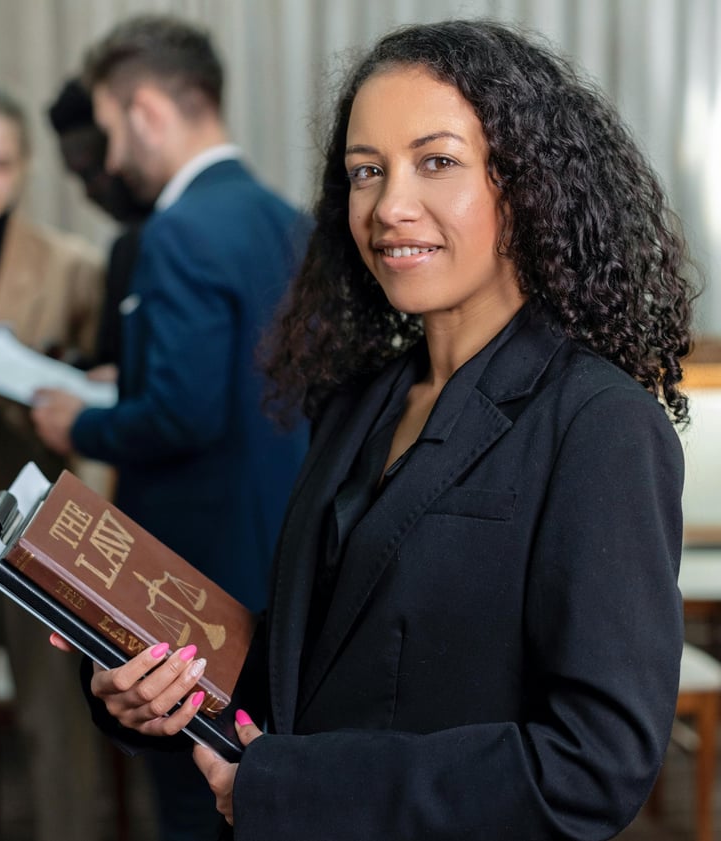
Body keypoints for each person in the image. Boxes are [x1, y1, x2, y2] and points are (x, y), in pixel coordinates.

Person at [67, 18, 699, 841]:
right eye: (367, 172)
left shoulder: (601, 424)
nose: (391, 206)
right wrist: (158, 685)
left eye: (436, 161)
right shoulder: (360, 400)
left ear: (527, 183)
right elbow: (314, 661)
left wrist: (292, 789)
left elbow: (591, 766)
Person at [31, 15, 310, 841]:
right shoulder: (287, 220)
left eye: (111, 132)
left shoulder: (177, 231)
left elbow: (182, 416)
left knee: (197, 801)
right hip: (281, 568)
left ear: (147, 111)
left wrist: (80, 418)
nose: (110, 160)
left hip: (190, 590)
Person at [0, 87, 104, 841]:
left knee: (56, 702)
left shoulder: (71, 266)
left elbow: (109, 382)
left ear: (24, 169)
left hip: (39, 505)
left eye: (0, 164)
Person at [47, 76, 153, 369]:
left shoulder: (147, 243)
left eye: (92, 172)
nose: (89, 191)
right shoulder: (126, 246)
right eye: (80, 178)